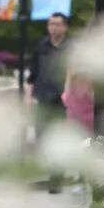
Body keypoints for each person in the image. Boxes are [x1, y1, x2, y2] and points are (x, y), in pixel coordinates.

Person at [27, 11, 70, 192]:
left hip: (62, 100)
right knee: (42, 139)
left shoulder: (71, 48)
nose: (53, 28)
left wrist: (69, 93)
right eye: (51, 24)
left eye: (57, 24)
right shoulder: (41, 47)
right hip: (42, 97)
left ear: (65, 27)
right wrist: (28, 98)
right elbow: (33, 74)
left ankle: (56, 178)